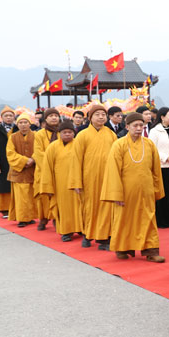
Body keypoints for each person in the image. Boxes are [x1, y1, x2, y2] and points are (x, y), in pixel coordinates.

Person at [101, 113, 166, 262]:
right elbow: (113, 171)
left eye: (141, 125)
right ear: (127, 126)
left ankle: (151, 251)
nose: (138, 128)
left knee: (148, 219)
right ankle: (123, 249)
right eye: (135, 125)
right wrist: (116, 194)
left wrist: (156, 190)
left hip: (146, 191)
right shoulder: (119, 144)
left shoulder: (149, 144)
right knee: (125, 220)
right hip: (125, 192)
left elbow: (156, 170)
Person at [69, 104, 117, 250]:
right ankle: (87, 234)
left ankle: (103, 239)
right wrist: (76, 181)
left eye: (103, 114)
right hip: (88, 179)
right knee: (88, 208)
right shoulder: (82, 135)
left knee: (106, 207)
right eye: (97, 114)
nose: (101, 117)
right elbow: (76, 159)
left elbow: (116, 156)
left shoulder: (110, 134)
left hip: (107, 177)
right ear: (90, 118)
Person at [39, 120, 83, 242]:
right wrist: (48, 186)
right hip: (60, 184)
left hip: (77, 182)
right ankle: (66, 231)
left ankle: (80, 228)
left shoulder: (78, 144)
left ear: (74, 133)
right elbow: (47, 167)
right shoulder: (52, 147)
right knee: (63, 208)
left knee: (79, 206)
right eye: (64, 132)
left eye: (70, 132)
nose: (67, 134)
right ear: (59, 133)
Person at [149, 107, 169, 228]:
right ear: (162, 117)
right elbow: (152, 149)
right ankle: (162, 220)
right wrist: (166, 158)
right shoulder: (155, 131)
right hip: (162, 166)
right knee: (164, 193)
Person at [6, 113, 37, 227]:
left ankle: (30, 217)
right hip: (18, 172)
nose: (23, 125)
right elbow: (10, 153)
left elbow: (40, 149)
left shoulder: (36, 135)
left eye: (25, 122)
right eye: (20, 123)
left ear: (30, 124)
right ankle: (22, 218)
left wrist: (33, 159)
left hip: (33, 171)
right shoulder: (12, 137)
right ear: (17, 124)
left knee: (31, 196)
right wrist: (25, 161)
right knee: (21, 198)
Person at [32, 107, 60, 230]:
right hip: (43, 171)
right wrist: (51, 165)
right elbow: (38, 153)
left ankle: (56, 218)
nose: (54, 118)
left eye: (56, 115)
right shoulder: (40, 134)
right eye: (51, 116)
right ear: (46, 119)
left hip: (60, 170)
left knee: (58, 196)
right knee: (42, 197)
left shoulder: (63, 132)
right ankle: (43, 219)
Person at [0, 107, 15, 217]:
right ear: (2, 118)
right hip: (2, 160)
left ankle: (16, 208)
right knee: (3, 186)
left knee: (15, 185)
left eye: (11, 116)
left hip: (15, 160)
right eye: (6, 116)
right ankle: (5, 209)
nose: (9, 118)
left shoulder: (18, 128)